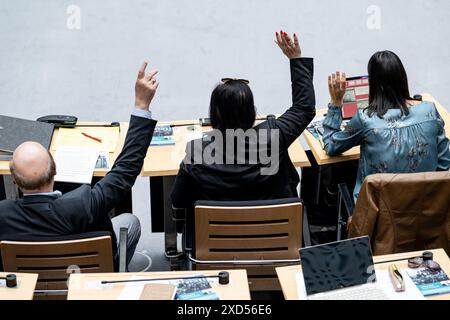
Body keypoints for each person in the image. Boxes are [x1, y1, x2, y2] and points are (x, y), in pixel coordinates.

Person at [0, 61, 159, 270]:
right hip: (84, 280)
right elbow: (125, 170)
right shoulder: (85, 204)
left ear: (14, 180)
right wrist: (141, 105)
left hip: (32, 287)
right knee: (130, 221)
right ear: (54, 170)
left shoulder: (3, 215)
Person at [171, 31, 315, 249]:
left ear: (214, 115)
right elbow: (304, 108)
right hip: (276, 247)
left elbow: (178, 202)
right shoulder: (273, 137)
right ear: (251, 112)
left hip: (217, 252)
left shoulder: (197, 151)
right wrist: (295, 59)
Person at [322, 50, 450, 200]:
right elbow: (444, 165)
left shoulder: (365, 119)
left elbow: (331, 145)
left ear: (375, 85)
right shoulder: (430, 111)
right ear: (402, 78)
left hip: (377, 217)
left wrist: (336, 103)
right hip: (425, 213)